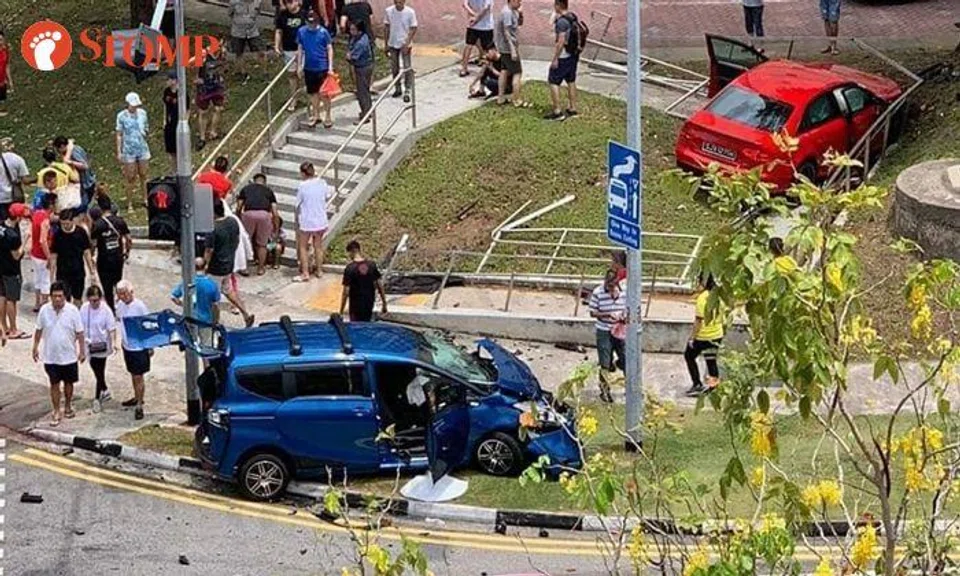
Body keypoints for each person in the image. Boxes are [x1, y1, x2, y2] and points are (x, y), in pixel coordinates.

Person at [33, 281, 85, 426]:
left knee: (69, 383)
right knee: (54, 384)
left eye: (60, 296)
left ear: (65, 296)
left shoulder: (73, 310)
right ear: (50, 296)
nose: (57, 299)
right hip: (51, 356)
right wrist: (35, 346)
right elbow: (38, 330)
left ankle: (68, 405)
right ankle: (56, 410)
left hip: (68, 355)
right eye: (54, 296)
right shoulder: (44, 310)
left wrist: (82, 350)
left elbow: (80, 332)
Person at [205, 200, 256, 327]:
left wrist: (206, 265)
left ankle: (214, 323)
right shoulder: (232, 221)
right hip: (228, 265)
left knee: (212, 297)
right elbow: (237, 239)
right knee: (228, 290)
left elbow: (209, 250)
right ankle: (246, 313)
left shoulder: (212, 228)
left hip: (215, 268)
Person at [115, 280, 151, 421]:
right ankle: (137, 397)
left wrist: (149, 346)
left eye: (125, 293)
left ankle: (139, 404)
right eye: (120, 294)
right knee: (133, 374)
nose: (123, 297)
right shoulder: (120, 306)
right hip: (127, 345)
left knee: (138, 376)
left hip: (139, 347)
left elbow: (147, 325)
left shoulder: (140, 306)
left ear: (131, 292)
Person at [684, 274, 725, 397]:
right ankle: (714, 388)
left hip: (704, 336)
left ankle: (697, 384)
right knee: (711, 360)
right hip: (717, 334)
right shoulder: (719, 296)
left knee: (689, 356)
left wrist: (692, 338)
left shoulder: (702, 298)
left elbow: (698, 321)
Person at [89, 197, 131, 311]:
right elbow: (128, 239)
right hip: (118, 258)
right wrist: (127, 252)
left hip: (104, 259)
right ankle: (121, 306)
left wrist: (92, 255)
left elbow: (93, 243)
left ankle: (111, 309)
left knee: (107, 288)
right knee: (118, 283)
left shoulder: (97, 225)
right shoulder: (120, 221)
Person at [588, 270, 625, 403]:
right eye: (608, 286)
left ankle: (630, 389)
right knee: (604, 362)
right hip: (604, 329)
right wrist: (607, 315)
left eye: (612, 286)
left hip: (620, 329)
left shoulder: (624, 292)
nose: (610, 289)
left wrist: (624, 317)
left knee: (626, 359)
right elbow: (592, 312)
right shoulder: (598, 292)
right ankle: (604, 391)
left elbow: (631, 308)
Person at [294, 162, 333, 282]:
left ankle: (305, 273)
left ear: (302, 173)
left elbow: (297, 204)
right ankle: (319, 270)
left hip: (307, 220)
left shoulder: (302, 186)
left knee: (303, 246)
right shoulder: (322, 182)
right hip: (321, 219)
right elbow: (327, 195)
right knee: (318, 246)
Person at [80, 285, 116, 413]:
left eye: (96, 300)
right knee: (95, 368)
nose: (94, 303)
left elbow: (111, 328)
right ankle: (104, 389)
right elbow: (80, 326)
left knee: (99, 370)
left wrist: (114, 343)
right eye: (91, 300)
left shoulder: (106, 310)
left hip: (102, 345)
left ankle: (97, 397)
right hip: (89, 344)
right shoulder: (84, 308)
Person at [49, 211, 98, 307]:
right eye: (62, 224)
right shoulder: (58, 235)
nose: (65, 226)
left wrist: (92, 271)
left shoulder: (81, 233)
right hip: (62, 272)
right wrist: (51, 276)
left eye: (67, 223)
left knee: (77, 297)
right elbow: (54, 256)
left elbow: (86, 253)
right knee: (64, 298)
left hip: (78, 271)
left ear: (72, 221)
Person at [297, 9, 335, 128]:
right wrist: (299, 66)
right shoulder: (302, 32)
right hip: (309, 67)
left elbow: (329, 48)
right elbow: (300, 49)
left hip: (322, 67)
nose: (312, 25)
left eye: (314, 23)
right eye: (310, 23)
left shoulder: (323, 32)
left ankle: (328, 115)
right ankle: (316, 114)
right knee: (312, 93)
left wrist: (330, 67)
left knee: (324, 94)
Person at [171, 259, 221, 348]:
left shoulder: (187, 282)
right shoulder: (212, 284)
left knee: (190, 346)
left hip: (190, 318)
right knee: (206, 347)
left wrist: (183, 304)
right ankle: (206, 362)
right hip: (206, 320)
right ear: (205, 267)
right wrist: (216, 321)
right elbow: (215, 306)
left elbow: (174, 297)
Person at [236, 173, 279, 275]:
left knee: (245, 241)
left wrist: (238, 217)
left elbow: (239, 206)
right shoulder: (269, 191)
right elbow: (275, 211)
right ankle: (261, 268)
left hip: (248, 214)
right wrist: (276, 227)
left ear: (254, 180)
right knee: (262, 244)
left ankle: (244, 267)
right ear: (264, 182)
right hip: (264, 215)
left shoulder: (246, 189)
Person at [545, 0, 581, 121]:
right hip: (573, 55)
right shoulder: (572, 17)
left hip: (563, 56)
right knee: (571, 80)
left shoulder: (561, 22)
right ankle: (573, 108)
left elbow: (560, 42)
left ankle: (557, 111)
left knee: (553, 81)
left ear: (558, 5)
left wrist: (555, 59)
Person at [116, 92, 150, 212]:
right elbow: (119, 134)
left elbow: (146, 127)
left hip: (142, 148)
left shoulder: (142, 113)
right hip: (129, 150)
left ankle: (146, 199)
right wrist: (119, 151)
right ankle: (129, 202)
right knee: (130, 177)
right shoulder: (121, 116)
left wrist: (145, 133)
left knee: (144, 174)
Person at [0, 202, 29, 342]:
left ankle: (3, 326)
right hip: (11, 269)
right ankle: (13, 329)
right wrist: (25, 241)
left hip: (1, 267)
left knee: (2, 296)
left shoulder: (1, 226)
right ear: (17, 218)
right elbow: (16, 255)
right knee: (12, 299)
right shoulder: (13, 236)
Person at [340, 240, 387, 322]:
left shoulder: (350, 268)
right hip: (369, 303)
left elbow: (346, 292)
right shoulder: (371, 265)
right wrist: (384, 303)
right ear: (359, 250)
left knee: (356, 327)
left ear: (351, 252)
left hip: (355, 305)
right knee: (366, 324)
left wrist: (341, 311)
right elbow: (380, 285)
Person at [275, 0, 307, 111]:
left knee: (303, 73)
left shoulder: (304, 14)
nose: (289, 5)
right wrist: (276, 46)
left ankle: (309, 96)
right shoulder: (282, 16)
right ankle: (294, 98)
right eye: (287, 3)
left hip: (303, 49)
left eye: (291, 2)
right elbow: (279, 31)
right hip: (289, 49)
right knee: (292, 75)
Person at [384, 0, 417, 103]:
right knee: (394, 67)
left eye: (400, 2)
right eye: (396, 2)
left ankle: (407, 89)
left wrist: (407, 42)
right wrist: (386, 44)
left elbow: (413, 28)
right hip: (393, 43)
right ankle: (397, 88)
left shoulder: (410, 12)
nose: (398, 4)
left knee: (407, 67)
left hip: (404, 43)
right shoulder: (389, 11)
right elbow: (386, 27)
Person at [494, 0, 525, 107]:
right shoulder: (507, 12)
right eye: (518, 1)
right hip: (507, 48)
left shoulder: (514, 10)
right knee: (517, 73)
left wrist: (521, 14)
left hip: (507, 47)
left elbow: (519, 24)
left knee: (504, 70)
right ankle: (516, 99)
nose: (520, 3)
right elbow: (506, 32)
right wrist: (512, 50)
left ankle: (500, 97)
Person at [54, 136, 97, 209]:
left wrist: (70, 162)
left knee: (83, 205)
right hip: (85, 182)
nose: (58, 152)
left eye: (58, 149)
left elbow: (84, 166)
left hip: (85, 182)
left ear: (62, 146)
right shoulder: (70, 150)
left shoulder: (74, 152)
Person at [196, 51, 227, 150]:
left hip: (216, 86)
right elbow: (195, 71)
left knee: (218, 109)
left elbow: (223, 69)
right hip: (204, 87)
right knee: (203, 112)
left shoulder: (221, 55)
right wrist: (197, 79)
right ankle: (202, 137)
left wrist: (221, 76)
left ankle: (213, 132)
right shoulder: (202, 56)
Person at [229, 0, 265, 84]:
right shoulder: (233, 2)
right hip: (237, 32)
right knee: (239, 53)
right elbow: (230, 14)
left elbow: (258, 12)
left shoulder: (257, 2)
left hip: (253, 31)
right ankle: (243, 73)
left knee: (261, 52)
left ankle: (264, 74)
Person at [30, 193, 54, 313]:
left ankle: (37, 303)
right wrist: (49, 256)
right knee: (46, 280)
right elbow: (43, 240)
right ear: (51, 205)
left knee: (37, 278)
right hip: (42, 254)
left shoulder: (37, 214)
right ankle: (44, 304)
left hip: (34, 253)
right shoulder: (45, 220)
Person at [347, 19, 374, 123]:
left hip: (362, 68)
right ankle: (368, 110)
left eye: (353, 29)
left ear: (360, 30)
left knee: (362, 92)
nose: (351, 31)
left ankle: (365, 115)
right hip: (364, 66)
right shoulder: (360, 37)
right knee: (365, 91)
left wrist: (349, 56)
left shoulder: (361, 43)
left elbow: (352, 57)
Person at [459, 0, 494, 78]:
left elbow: (465, 4)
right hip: (485, 26)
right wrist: (476, 17)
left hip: (475, 25)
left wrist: (473, 16)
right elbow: (485, 9)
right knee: (488, 48)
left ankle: (464, 68)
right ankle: (489, 68)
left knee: (469, 45)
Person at [162, 71, 189, 169]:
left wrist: (185, 121)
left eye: (168, 79)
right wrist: (164, 120)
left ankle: (182, 169)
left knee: (180, 150)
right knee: (171, 150)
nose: (167, 82)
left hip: (178, 123)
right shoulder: (166, 92)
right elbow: (165, 105)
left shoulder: (182, 93)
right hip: (169, 124)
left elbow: (187, 109)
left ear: (174, 81)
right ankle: (173, 169)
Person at [0, 30, 11, 117]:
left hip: (2, 77)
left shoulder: (5, 51)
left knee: (2, 96)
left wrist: (9, 80)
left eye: (1, 39)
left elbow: (7, 65)